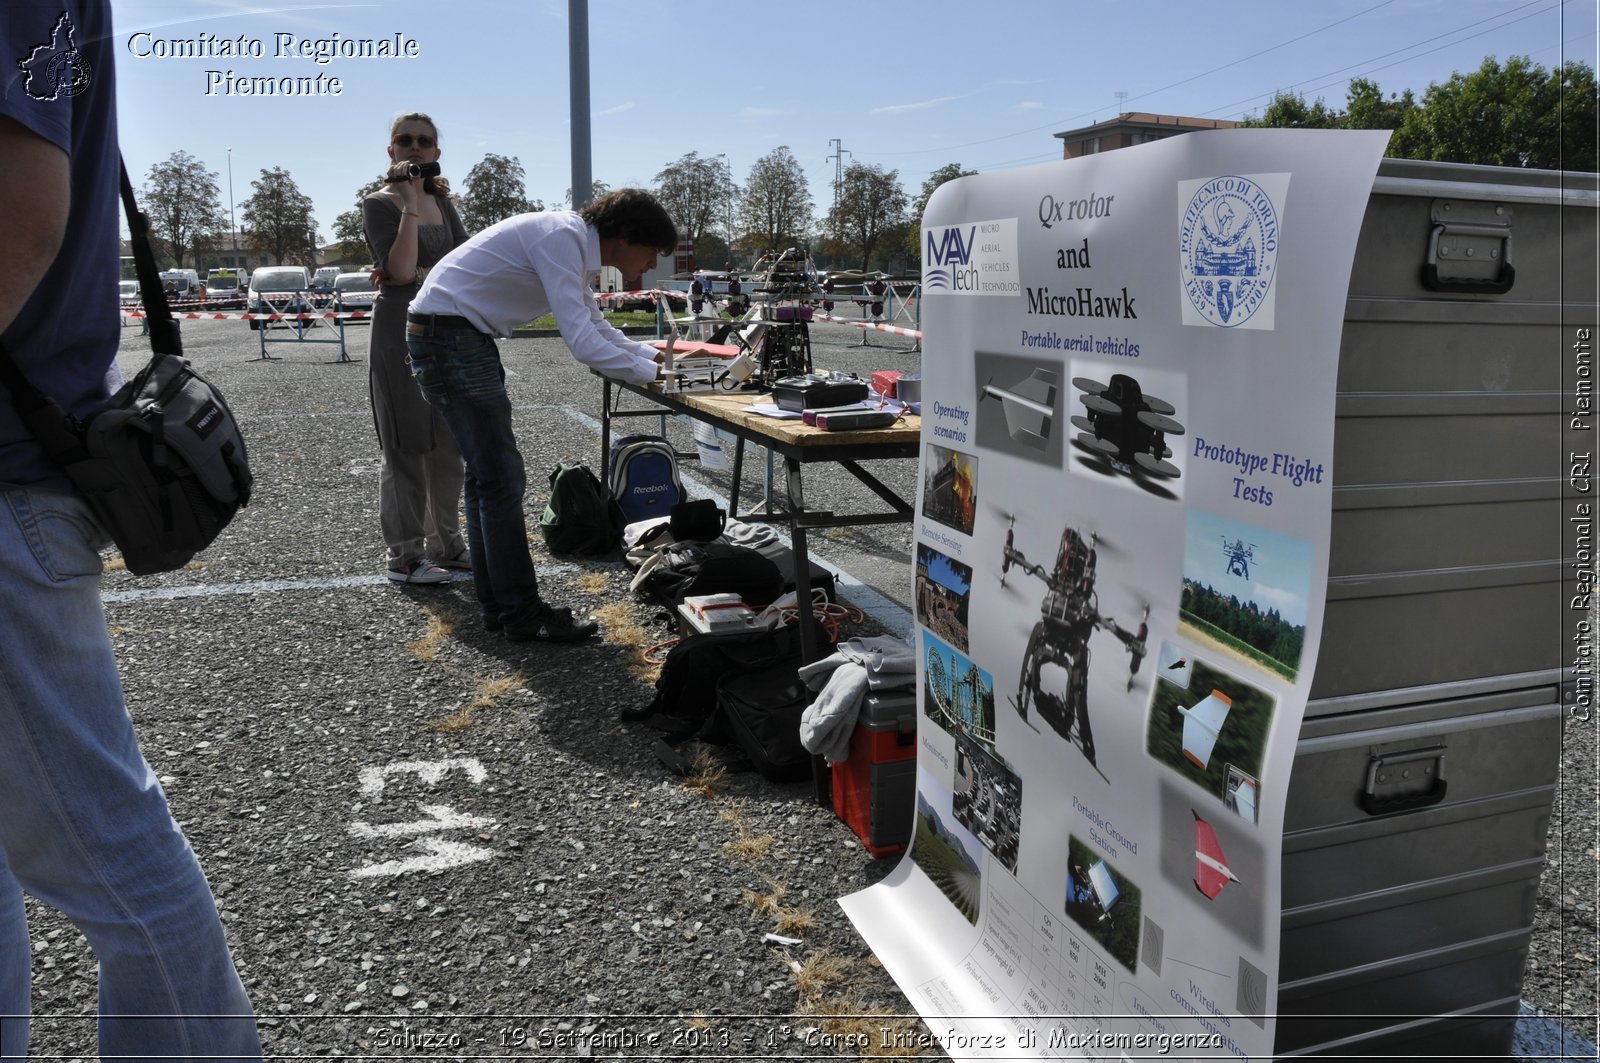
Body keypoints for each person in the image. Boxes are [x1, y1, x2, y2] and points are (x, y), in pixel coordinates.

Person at [0, 3, 261, 1059]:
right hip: (28, 466)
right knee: (95, 838)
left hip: (8, 474)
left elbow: (21, 220)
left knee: (107, 850)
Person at [405, 189, 676, 642]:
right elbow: (584, 345)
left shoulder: (571, 241)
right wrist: (662, 377)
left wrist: (662, 362)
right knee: (500, 481)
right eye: (652, 251)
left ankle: (501, 608)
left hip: (452, 336)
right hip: (451, 339)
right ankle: (522, 614)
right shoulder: (561, 239)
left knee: (486, 481)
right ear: (626, 236)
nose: (652, 264)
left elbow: (596, 325)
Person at [362, 112, 470, 584]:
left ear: (436, 153)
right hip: (398, 329)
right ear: (391, 150)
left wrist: (422, 274)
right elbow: (402, 273)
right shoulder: (378, 203)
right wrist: (407, 202)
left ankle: (447, 544)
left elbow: (465, 267)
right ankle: (405, 555)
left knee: (448, 445)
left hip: (446, 327)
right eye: (404, 139)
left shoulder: (445, 205)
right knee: (405, 441)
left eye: (424, 141)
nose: (414, 146)